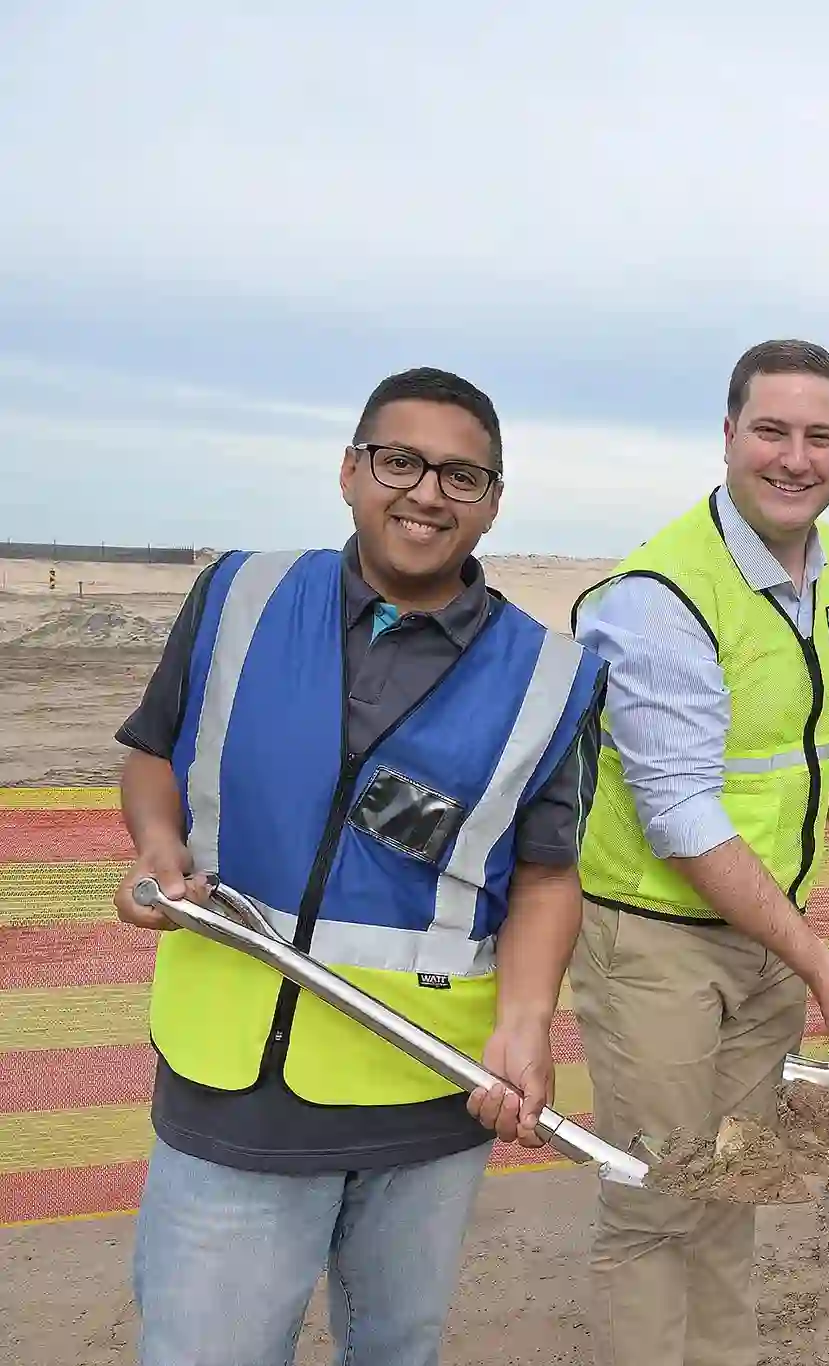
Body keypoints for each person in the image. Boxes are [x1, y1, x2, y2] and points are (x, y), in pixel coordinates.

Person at [111, 366, 609, 1366]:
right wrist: (159, 848)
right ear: (350, 470)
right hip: (233, 1092)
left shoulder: (554, 677)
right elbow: (152, 751)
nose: (427, 492)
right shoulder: (238, 594)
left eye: (462, 476)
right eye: (400, 461)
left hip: (427, 1097)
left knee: (393, 1349)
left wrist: (524, 1025)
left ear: (493, 503)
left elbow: (547, 875)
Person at [568, 338, 829, 1366]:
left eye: (819, 435)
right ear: (725, 436)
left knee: (734, 1183)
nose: (794, 458)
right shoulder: (658, 596)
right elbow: (678, 813)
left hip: (768, 935)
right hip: (658, 943)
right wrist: (819, 964)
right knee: (662, 1197)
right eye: (771, 431)